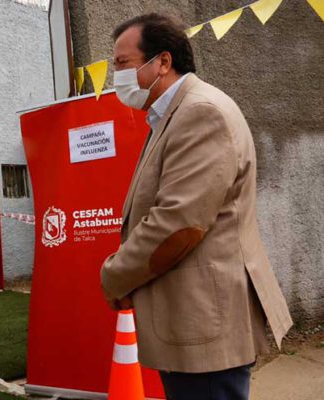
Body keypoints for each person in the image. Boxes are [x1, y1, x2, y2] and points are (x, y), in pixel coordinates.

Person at [99, 14, 292, 400]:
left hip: (203, 322)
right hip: (195, 319)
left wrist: (114, 275)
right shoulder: (173, 115)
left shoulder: (200, 113)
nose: (114, 75)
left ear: (163, 63)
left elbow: (177, 225)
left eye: (122, 63)